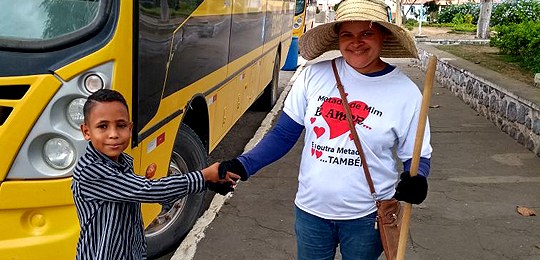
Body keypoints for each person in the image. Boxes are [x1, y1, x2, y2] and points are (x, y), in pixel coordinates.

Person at [218, 0, 433, 259]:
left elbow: (417, 153)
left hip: (368, 217)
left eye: (366, 33)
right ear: (338, 38)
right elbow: (283, 135)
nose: (356, 42)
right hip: (311, 214)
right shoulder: (314, 76)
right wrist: (241, 166)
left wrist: (418, 178)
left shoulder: (405, 92)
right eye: (347, 35)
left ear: (383, 36)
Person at [71, 89, 238, 259]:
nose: (113, 134)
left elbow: (142, 193)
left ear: (130, 128)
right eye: (102, 126)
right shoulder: (89, 171)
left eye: (121, 125)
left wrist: (166, 191)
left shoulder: (123, 162)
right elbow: (147, 190)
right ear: (86, 131)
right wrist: (204, 177)